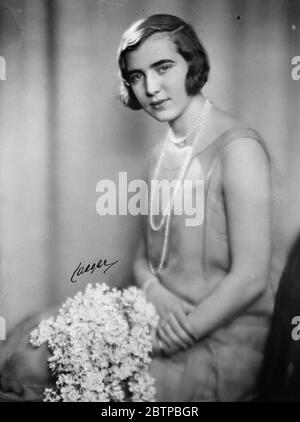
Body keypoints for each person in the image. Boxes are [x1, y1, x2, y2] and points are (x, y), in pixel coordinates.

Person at [118, 14, 273, 401]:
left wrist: (180, 332)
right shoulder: (158, 156)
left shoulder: (239, 149)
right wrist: (157, 293)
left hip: (225, 338)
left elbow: (251, 277)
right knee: (39, 349)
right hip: (160, 317)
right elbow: (143, 259)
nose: (150, 88)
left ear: (193, 63)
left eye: (163, 67)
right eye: (137, 76)